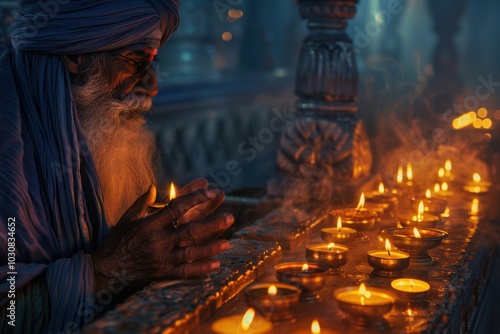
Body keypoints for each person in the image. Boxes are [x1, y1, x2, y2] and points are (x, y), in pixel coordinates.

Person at [0, 1, 234, 333]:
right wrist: (108, 269)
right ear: (74, 55)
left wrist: (155, 242)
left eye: (152, 63)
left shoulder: (84, 127)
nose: (152, 86)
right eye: (137, 62)